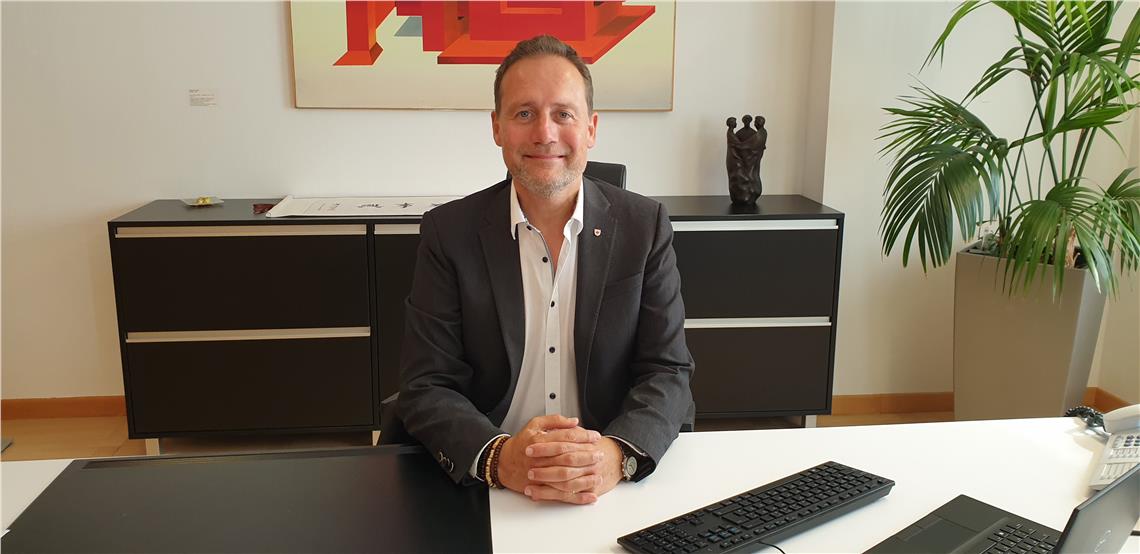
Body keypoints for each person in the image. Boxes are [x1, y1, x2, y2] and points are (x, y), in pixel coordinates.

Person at [393, 35, 694, 505]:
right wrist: (499, 458)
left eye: (563, 114)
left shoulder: (644, 227)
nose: (545, 133)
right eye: (524, 113)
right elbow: (427, 383)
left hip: (607, 479)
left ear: (591, 128)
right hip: (486, 479)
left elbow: (667, 370)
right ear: (497, 127)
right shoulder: (448, 233)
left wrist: (616, 455)